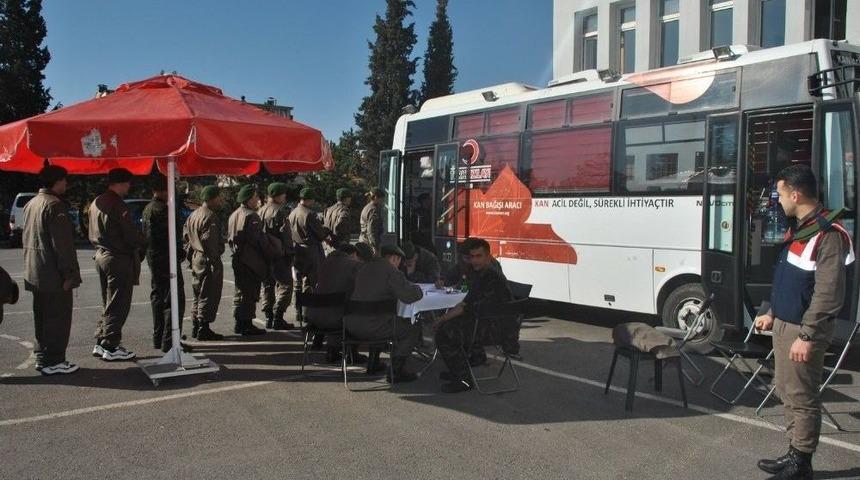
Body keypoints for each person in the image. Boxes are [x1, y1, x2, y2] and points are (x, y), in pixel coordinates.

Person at [755, 165, 853, 480]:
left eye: (781, 195)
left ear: (796, 195)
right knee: (786, 390)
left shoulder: (828, 234)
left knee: (802, 395)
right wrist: (770, 310)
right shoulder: (802, 227)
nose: (778, 201)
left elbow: (828, 294)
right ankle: (793, 453)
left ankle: (802, 464)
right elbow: (784, 277)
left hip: (802, 331)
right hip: (784, 325)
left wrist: (808, 336)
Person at [432, 238, 517, 393]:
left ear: (488, 256)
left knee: (445, 333)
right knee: (449, 326)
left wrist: (442, 319)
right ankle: (459, 370)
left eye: (479, 256)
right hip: (484, 319)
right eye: (472, 257)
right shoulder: (477, 272)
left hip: (498, 328)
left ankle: (463, 379)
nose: (475, 260)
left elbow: (466, 307)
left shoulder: (490, 276)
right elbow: (465, 300)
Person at [22, 166, 82, 374]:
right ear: (58, 181)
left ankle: (44, 356)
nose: (66, 184)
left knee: (42, 317)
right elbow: (62, 246)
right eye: (65, 180)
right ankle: (54, 360)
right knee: (58, 318)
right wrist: (70, 274)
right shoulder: (55, 206)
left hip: (35, 270)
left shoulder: (31, 203)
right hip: (53, 273)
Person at [89, 168, 145, 361]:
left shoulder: (98, 201)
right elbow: (129, 235)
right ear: (121, 183)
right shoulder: (116, 203)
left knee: (108, 301)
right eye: (128, 183)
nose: (129, 187)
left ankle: (102, 339)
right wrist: (141, 242)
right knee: (118, 303)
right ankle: (111, 344)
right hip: (117, 257)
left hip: (101, 254)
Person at [344, 244, 423, 383]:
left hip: (350, 326)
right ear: (394, 258)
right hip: (375, 327)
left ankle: (373, 364)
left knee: (383, 319)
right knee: (412, 328)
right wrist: (418, 289)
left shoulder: (363, 268)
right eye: (399, 261)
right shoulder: (391, 272)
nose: (399, 265)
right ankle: (396, 371)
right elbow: (408, 296)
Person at [142, 176, 188, 352]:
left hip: (154, 257)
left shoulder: (148, 208)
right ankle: (170, 341)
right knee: (173, 300)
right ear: (164, 189)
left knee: (158, 297)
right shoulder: (162, 210)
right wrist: (179, 251)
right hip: (166, 258)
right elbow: (170, 236)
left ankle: (159, 337)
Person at [306, 242, 364, 362]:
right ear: (353, 254)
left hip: (313, 316)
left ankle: (331, 350)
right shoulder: (354, 265)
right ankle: (351, 353)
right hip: (335, 318)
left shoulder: (325, 263)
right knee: (356, 313)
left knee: (334, 307)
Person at [185, 185, 226, 341]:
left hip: (196, 257)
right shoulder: (210, 217)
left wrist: (191, 255)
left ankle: (196, 325)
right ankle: (203, 327)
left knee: (197, 293)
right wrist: (215, 255)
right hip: (208, 258)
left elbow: (185, 239)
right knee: (208, 293)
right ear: (212, 198)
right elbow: (210, 241)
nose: (220, 200)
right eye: (218, 197)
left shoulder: (193, 215)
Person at [227, 185, 269, 336]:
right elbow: (256, 240)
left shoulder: (234, 214)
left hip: (237, 257)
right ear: (249, 198)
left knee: (240, 291)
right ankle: (246, 323)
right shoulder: (251, 216)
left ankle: (240, 322)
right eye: (255, 197)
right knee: (250, 292)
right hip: (249, 258)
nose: (257, 200)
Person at [288, 187, 332, 324]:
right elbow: (320, 233)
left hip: (296, 249)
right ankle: (307, 313)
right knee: (310, 282)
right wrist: (326, 230)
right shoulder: (310, 214)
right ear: (310, 199)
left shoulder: (292, 212)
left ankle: (298, 311)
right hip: (310, 251)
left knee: (297, 283)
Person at [258, 182, 294, 330]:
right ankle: (278, 316)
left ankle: (268, 317)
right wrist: (289, 253)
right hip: (279, 254)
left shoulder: (260, 211)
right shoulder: (279, 211)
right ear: (278, 195)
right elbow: (285, 235)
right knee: (286, 285)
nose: (285, 197)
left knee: (267, 285)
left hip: (264, 253)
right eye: (283, 194)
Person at [359, 187, 385, 256]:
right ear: (376, 197)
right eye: (382, 198)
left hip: (364, 240)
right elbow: (371, 230)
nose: (382, 201)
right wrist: (375, 247)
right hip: (369, 244)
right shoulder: (373, 210)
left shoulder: (367, 207)